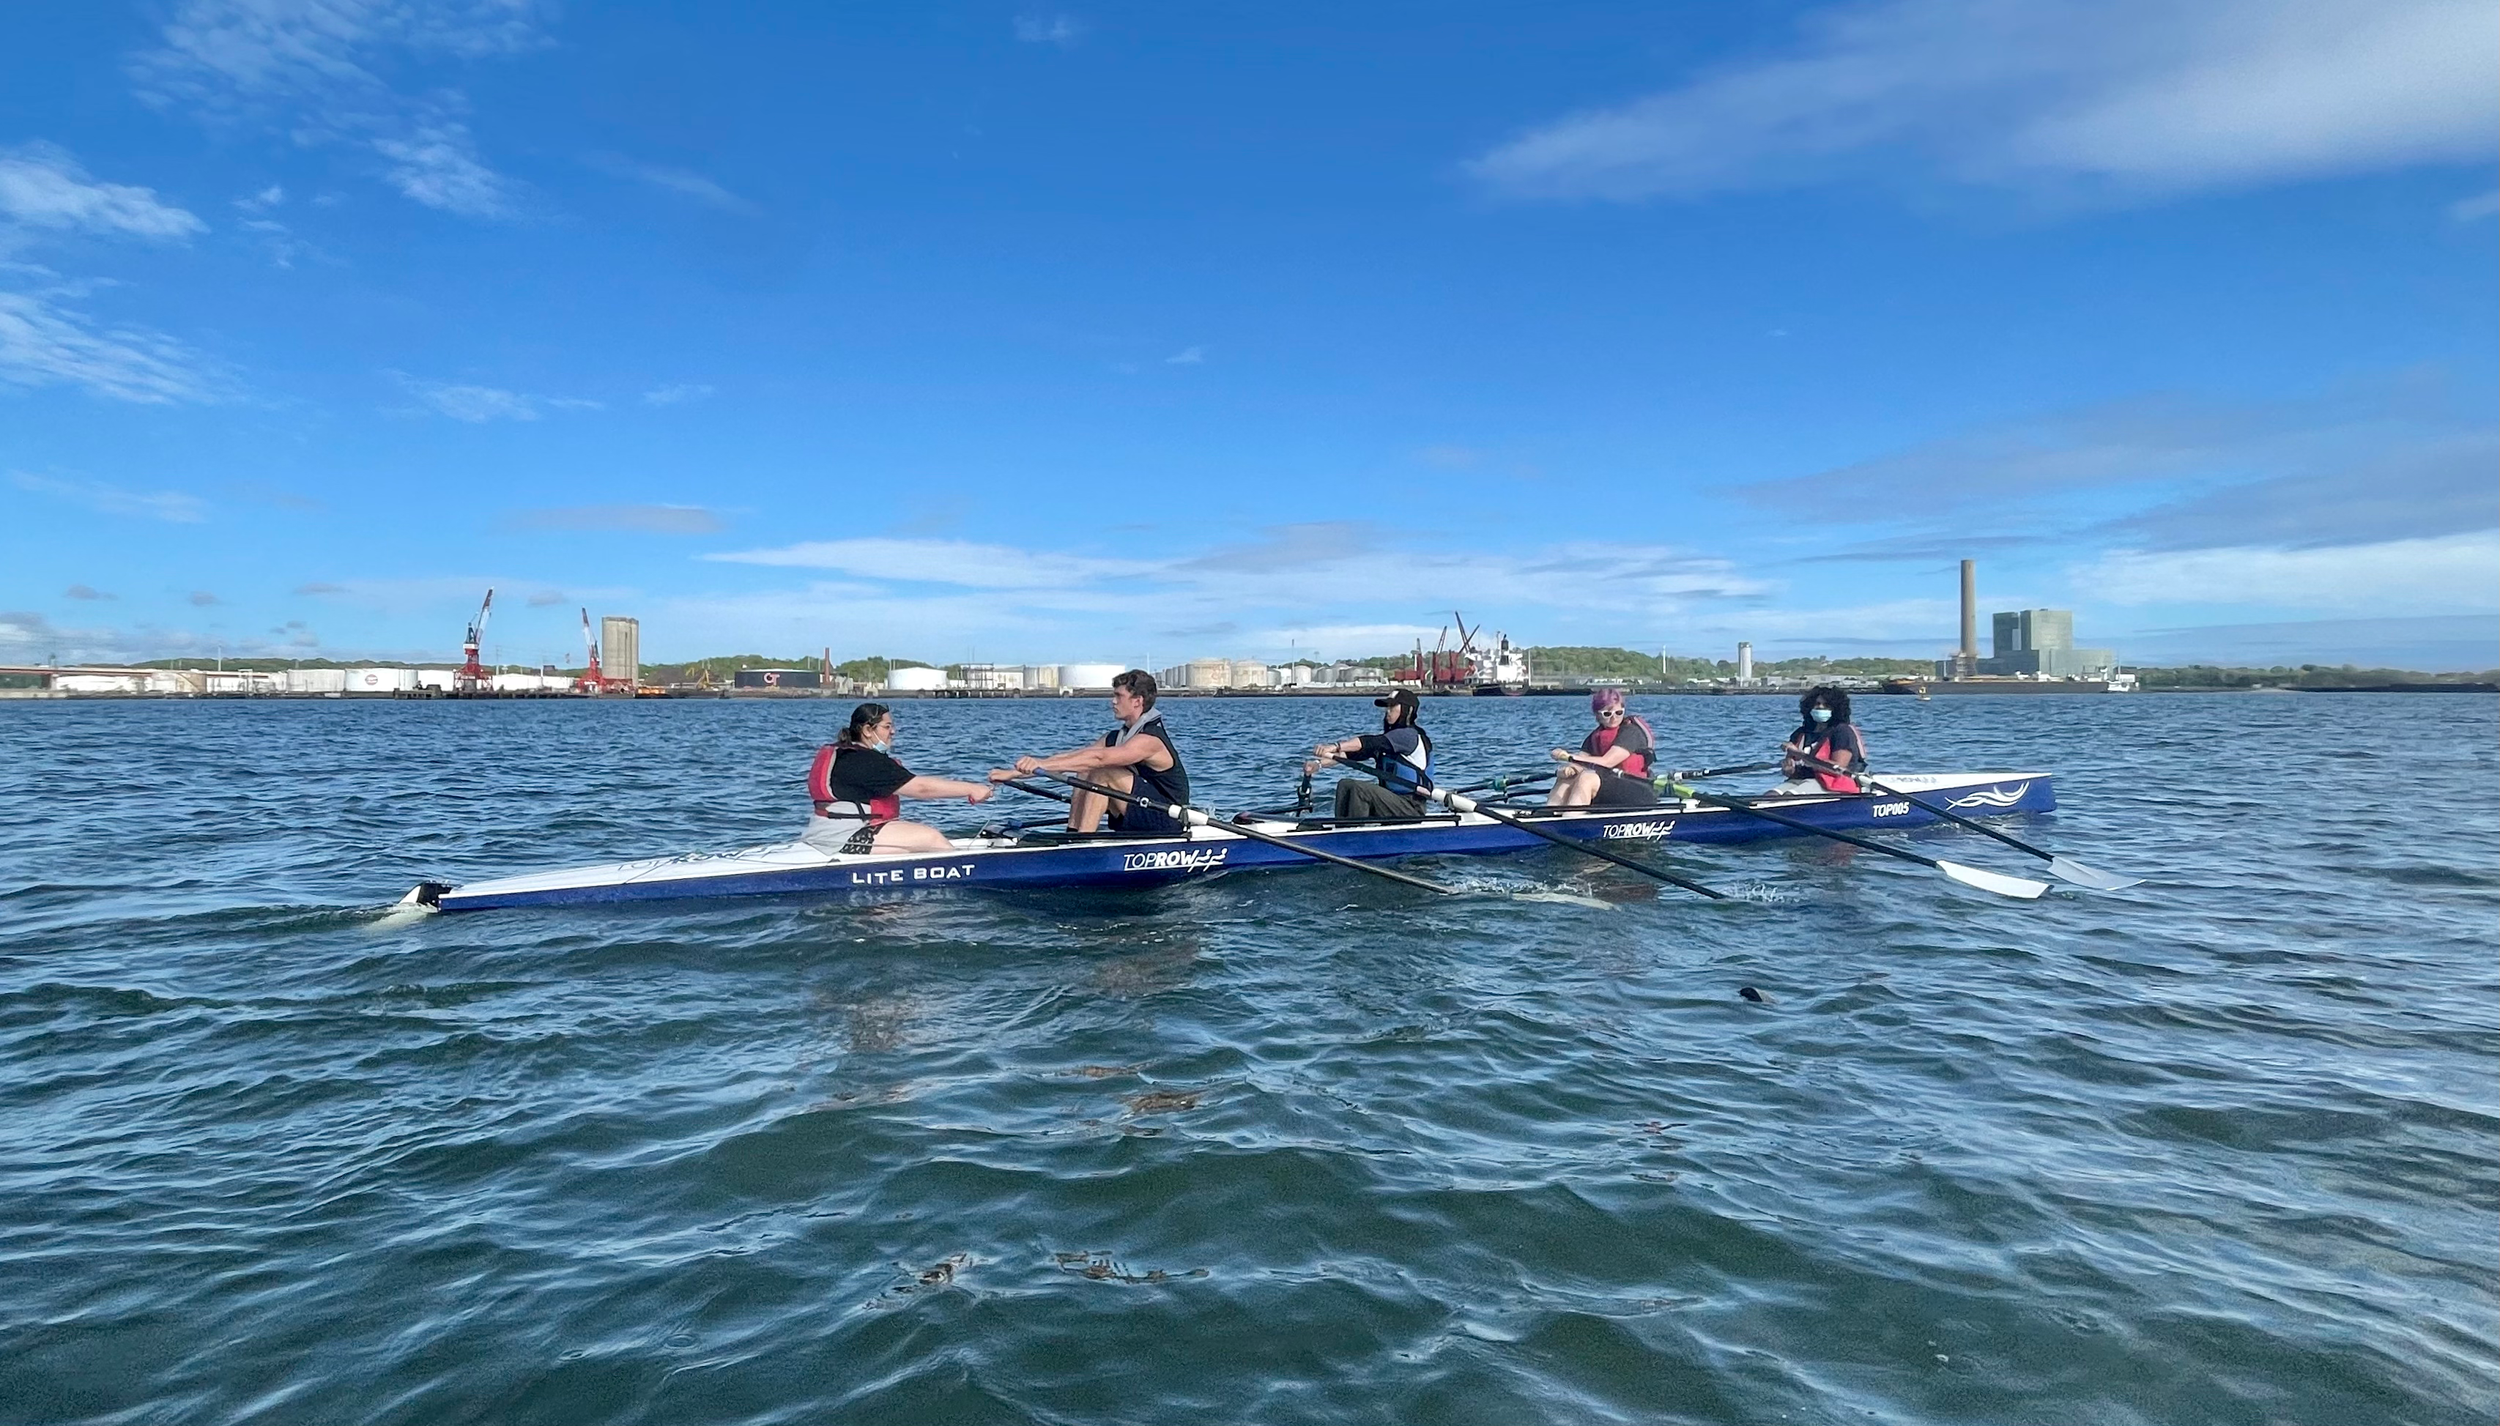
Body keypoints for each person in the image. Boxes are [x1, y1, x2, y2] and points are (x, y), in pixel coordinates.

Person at [989, 670, 1190, 833]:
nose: (1113, 701)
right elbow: (1073, 758)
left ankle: (1083, 844)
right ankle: (1073, 835)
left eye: (1119, 696)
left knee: (1102, 771)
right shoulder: (1116, 736)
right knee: (1084, 770)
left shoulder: (1150, 740)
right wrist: (1012, 774)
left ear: (1137, 701)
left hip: (1167, 818)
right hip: (1141, 811)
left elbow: (1099, 758)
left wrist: (1040, 765)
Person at [802, 702, 996, 855]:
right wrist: (972, 789)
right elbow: (921, 788)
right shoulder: (865, 761)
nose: (893, 732)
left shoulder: (846, 754)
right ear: (868, 731)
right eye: (887, 727)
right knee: (931, 839)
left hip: (826, 833)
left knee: (916, 836)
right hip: (841, 837)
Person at [1308, 687, 1434, 820]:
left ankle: (1354, 832)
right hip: (1391, 803)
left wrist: (1334, 747)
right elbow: (1349, 755)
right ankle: (1341, 826)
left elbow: (1369, 742)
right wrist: (1318, 764)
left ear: (1407, 710)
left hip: (1411, 807)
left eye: (1392, 706)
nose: (1387, 711)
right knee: (1345, 784)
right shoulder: (1389, 742)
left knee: (1359, 789)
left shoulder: (1408, 736)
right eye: (1386, 707)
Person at [1548, 688, 1660, 807]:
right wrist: (1566, 769)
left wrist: (1568, 756)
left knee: (1587, 778)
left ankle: (1572, 819)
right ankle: (1549, 814)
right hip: (1612, 786)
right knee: (1566, 778)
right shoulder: (1594, 736)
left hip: (1638, 789)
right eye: (1607, 714)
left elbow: (1607, 762)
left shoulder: (1631, 732)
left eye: (1618, 713)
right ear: (1597, 715)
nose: (1614, 717)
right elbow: (1579, 762)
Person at [1772, 686, 1867, 794]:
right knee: (1769, 797)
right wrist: (1788, 769)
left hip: (1830, 782)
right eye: (1817, 704)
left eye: (1826, 706)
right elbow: (1791, 766)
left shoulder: (1842, 732)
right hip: (1800, 780)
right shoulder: (1800, 733)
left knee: (1789, 796)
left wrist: (1799, 754)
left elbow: (1837, 768)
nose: (1820, 707)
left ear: (1835, 709)